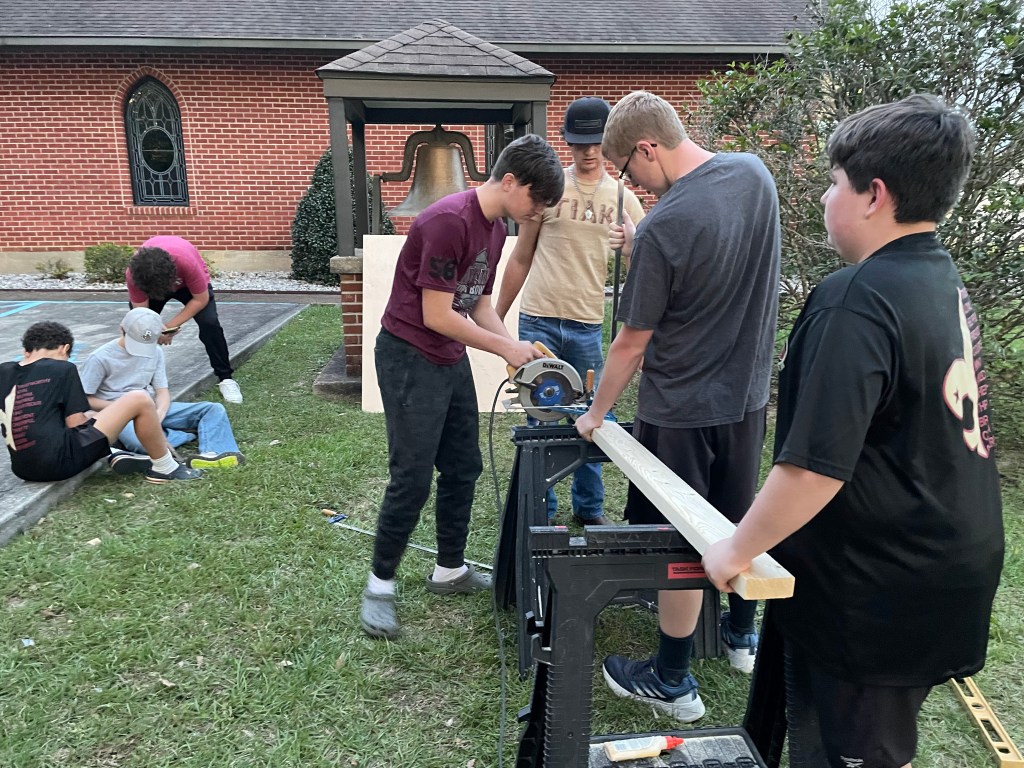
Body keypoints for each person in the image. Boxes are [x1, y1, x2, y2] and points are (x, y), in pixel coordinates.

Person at [702, 94, 1004, 767]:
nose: (824, 198)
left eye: (834, 182)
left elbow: (814, 466)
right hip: (940, 564)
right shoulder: (939, 278)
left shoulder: (856, 298)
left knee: (855, 751)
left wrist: (736, 549)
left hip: (877, 588)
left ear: (874, 195)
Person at [573, 90, 781, 719]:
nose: (634, 184)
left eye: (629, 170)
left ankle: (671, 680)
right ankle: (741, 639)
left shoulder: (665, 225)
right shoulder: (755, 176)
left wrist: (595, 415)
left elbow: (632, 342)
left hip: (682, 406)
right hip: (746, 398)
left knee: (681, 543)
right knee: (738, 522)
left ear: (647, 147)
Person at [360, 134, 565, 640]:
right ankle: (379, 586)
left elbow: (476, 304)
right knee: (412, 476)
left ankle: (448, 569)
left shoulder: (494, 229)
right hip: (409, 356)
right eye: (537, 200)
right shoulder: (447, 221)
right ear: (511, 181)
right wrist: (502, 350)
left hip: (447, 357)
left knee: (463, 466)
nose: (538, 212)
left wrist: (516, 348)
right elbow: (435, 314)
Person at [495, 96, 645, 526]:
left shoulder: (624, 199)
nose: (588, 151)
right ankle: (541, 510)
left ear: (607, 142)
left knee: (591, 417)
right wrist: (498, 321)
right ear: (568, 142)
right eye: (579, 142)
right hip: (538, 319)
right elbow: (521, 256)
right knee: (541, 417)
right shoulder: (548, 190)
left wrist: (630, 248)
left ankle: (590, 509)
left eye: (595, 142)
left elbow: (644, 267)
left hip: (587, 325)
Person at [0, 321, 203, 484]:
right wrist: (108, 420)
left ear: (26, 350)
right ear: (65, 349)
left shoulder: (4, 371)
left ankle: (116, 453)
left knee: (90, 417)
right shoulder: (63, 369)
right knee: (139, 398)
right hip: (58, 465)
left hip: (23, 469)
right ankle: (165, 468)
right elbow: (76, 425)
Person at [80, 308, 246, 470]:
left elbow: (162, 391)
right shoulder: (100, 357)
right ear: (121, 329)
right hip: (119, 414)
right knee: (143, 443)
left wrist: (157, 415)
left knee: (213, 409)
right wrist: (129, 409)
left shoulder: (156, 351)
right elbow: (85, 399)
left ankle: (216, 452)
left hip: (150, 407)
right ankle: (186, 434)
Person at [126, 235, 243, 404]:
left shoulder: (185, 262)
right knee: (140, 333)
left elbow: (200, 299)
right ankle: (143, 383)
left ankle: (226, 378)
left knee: (209, 323)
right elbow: (141, 316)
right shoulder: (135, 275)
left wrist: (169, 327)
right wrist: (153, 332)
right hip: (151, 284)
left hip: (188, 286)